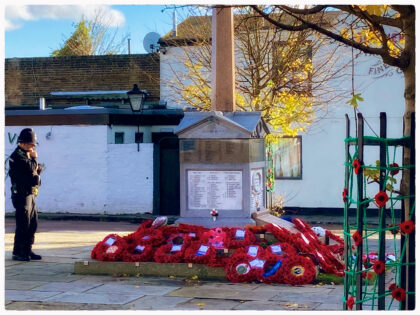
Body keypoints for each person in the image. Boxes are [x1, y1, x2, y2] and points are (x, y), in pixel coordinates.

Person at [8, 128, 43, 261]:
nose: (33, 147)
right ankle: (18, 251)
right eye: (31, 144)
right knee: (23, 223)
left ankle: (28, 249)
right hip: (21, 194)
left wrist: (36, 169)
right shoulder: (17, 155)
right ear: (23, 143)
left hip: (30, 192)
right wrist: (35, 159)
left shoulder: (26, 154)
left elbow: (35, 170)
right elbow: (30, 168)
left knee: (32, 222)